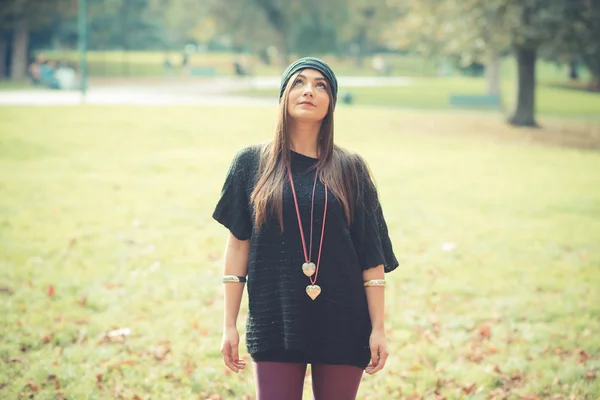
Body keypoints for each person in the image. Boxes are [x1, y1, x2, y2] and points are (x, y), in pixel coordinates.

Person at [212, 57, 399, 400]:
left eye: (320, 85)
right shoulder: (250, 164)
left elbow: (371, 257)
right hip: (275, 316)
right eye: (298, 82)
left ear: (331, 103)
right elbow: (238, 247)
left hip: (343, 318)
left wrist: (378, 329)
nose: (309, 90)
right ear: (283, 96)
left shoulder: (351, 169)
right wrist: (229, 325)